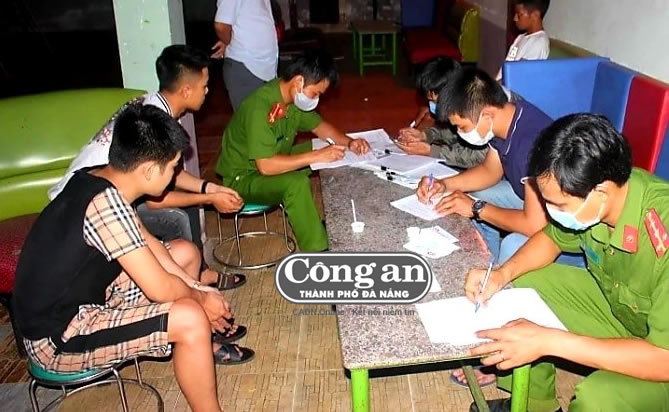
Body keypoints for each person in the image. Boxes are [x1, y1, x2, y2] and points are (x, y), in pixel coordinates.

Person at [14, 105, 254, 412]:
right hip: (59, 336)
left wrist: (199, 288)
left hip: (90, 296)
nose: (174, 175)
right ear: (150, 170)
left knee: (184, 253)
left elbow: (150, 243)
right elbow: (161, 289)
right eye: (173, 168)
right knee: (190, 317)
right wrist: (202, 301)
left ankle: (199, 348)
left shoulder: (97, 178)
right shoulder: (104, 203)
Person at [466, 113, 669, 412]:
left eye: (558, 204)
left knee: (599, 399)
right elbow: (551, 239)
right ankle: (535, 405)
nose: (550, 211)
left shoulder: (661, 229)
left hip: (661, 355)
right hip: (627, 317)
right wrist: (501, 273)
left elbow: (663, 358)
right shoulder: (601, 195)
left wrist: (549, 341)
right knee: (522, 284)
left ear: (601, 192)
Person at [49, 45, 245, 290]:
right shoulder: (154, 123)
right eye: (204, 86)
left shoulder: (154, 107)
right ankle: (188, 281)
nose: (207, 91)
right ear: (186, 90)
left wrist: (209, 188)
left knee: (191, 201)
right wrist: (209, 199)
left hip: (98, 193)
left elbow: (169, 172)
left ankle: (197, 272)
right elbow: (155, 201)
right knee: (176, 217)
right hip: (81, 208)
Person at [215, 50, 371, 252]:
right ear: (298, 81)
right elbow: (266, 166)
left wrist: (350, 143)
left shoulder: (291, 99)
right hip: (243, 178)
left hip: (272, 160)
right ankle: (317, 251)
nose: (316, 99)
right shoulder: (260, 108)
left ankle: (321, 220)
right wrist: (316, 156)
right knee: (296, 183)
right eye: (315, 93)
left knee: (327, 149)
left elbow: (320, 127)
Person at [394, 57, 488, 169]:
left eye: (436, 101)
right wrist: (425, 135)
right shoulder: (459, 104)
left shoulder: (478, 110)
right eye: (429, 101)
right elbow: (455, 132)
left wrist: (432, 151)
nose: (432, 106)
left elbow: (479, 157)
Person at [212, 0, 279, 111]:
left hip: (264, 67)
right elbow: (221, 26)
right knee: (252, 118)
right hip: (246, 65)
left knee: (266, 118)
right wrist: (229, 42)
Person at [496, 0, 551, 81]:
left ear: (535, 15)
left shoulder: (539, 43)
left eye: (519, 14)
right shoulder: (521, 37)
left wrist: (493, 86)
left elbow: (518, 77)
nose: (515, 18)